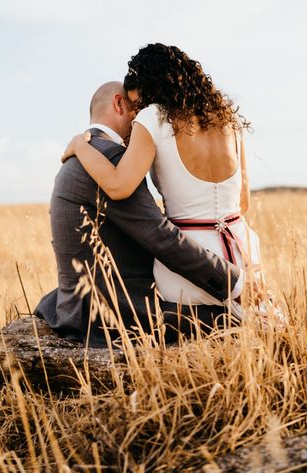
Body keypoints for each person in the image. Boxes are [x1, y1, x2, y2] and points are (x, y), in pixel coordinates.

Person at [35, 81, 249, 348]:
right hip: (115, 313)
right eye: (138, 111)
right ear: (118, 103)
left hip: (72, 305)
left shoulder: (82, 156)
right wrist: (236, 284)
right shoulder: (111, 157)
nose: (140, 125)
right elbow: (161, 237)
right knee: (232, 320)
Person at [62, 44, 269, 314]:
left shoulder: (153, 118)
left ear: (151, 90)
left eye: (138, 104)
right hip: (244, 258)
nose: (136, 112)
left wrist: (80, 146)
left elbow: (118, 186)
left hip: (188, 270)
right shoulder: (228, 118)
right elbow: (243, 203)